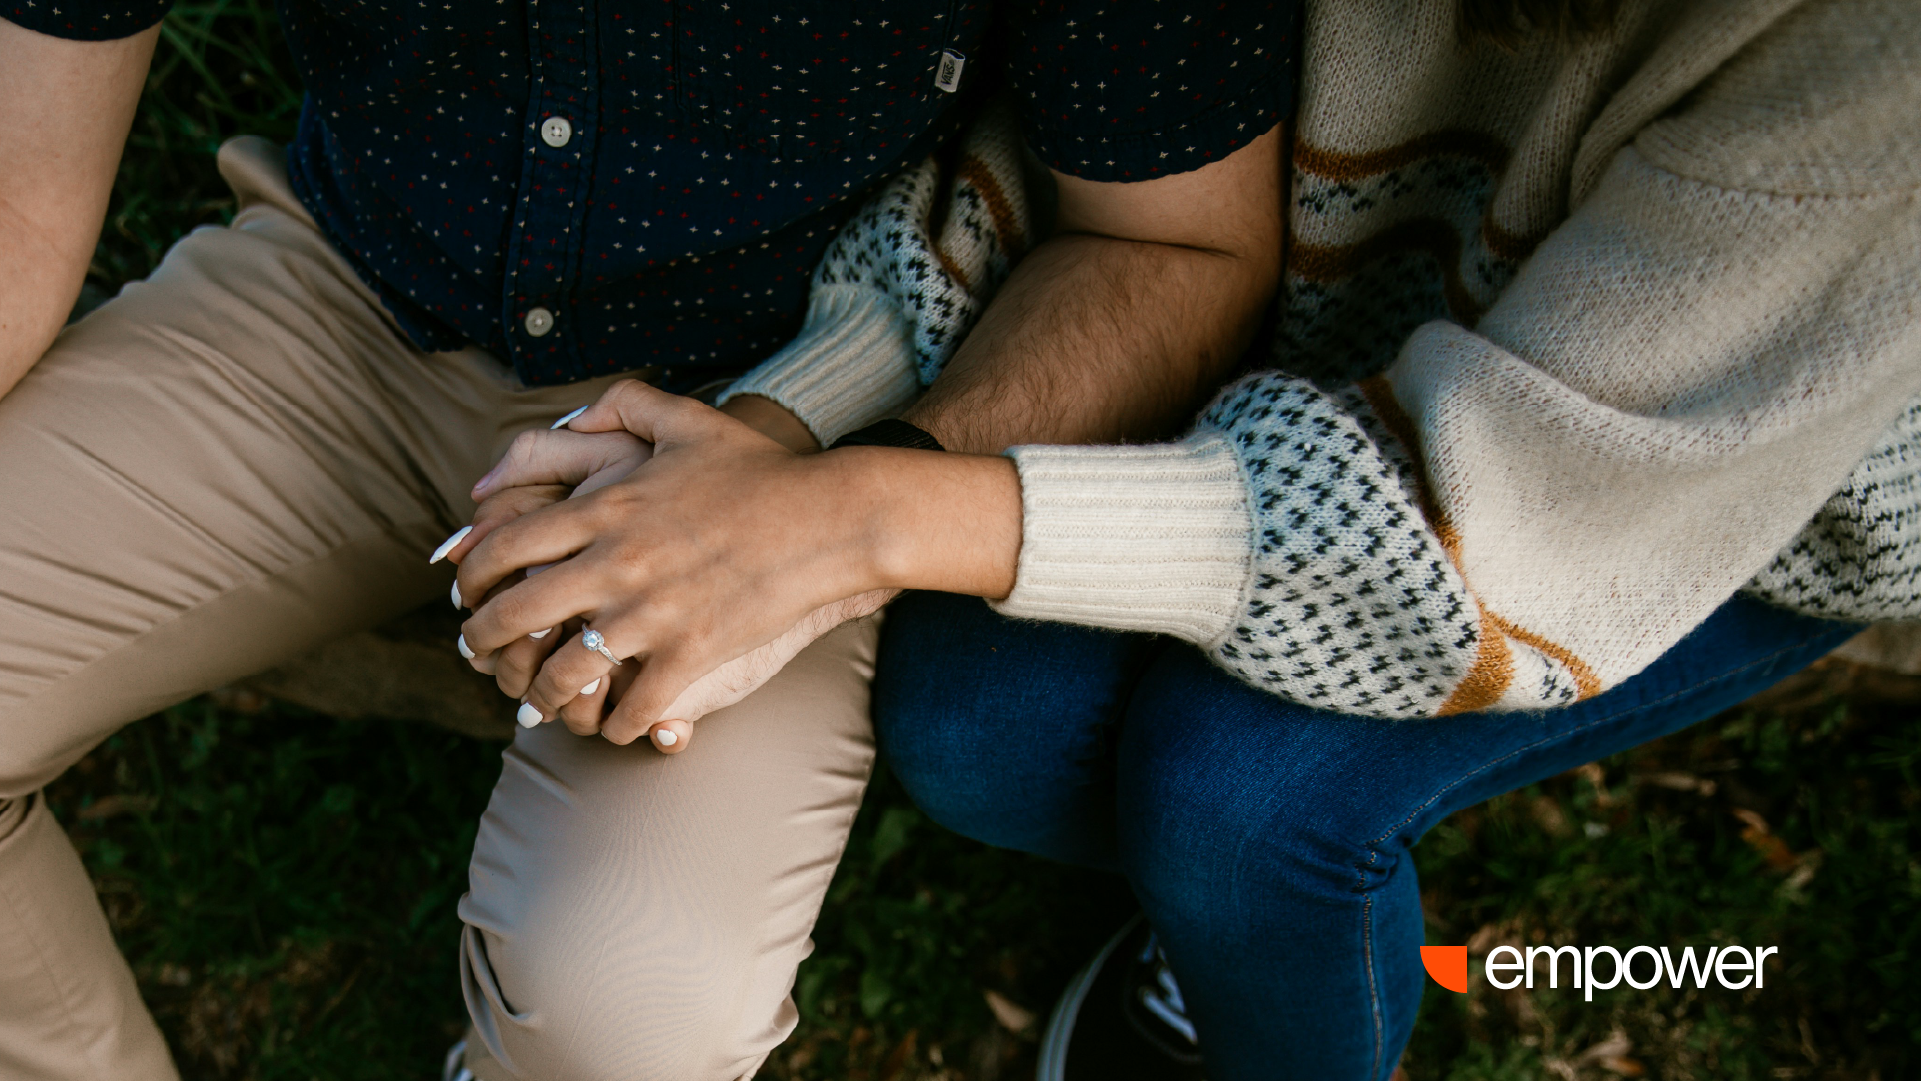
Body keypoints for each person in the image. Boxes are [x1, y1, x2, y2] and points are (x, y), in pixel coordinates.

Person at [447, 0, 1919, 1079]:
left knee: (1239, 807)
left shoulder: (1863, 60)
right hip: (1330, 332)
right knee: (970, 715)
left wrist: (847, 516)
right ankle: (1214, 921)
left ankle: (1256, 1003)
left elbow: (1505, 532)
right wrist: (776, 447)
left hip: (1691, 485)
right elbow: (1089, 145)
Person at [0, 4, 1298, 1081]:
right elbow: (16, 191)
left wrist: (834, 512)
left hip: (787, 401)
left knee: (628, 1021)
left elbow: (1179, 240)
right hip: (337, 299)